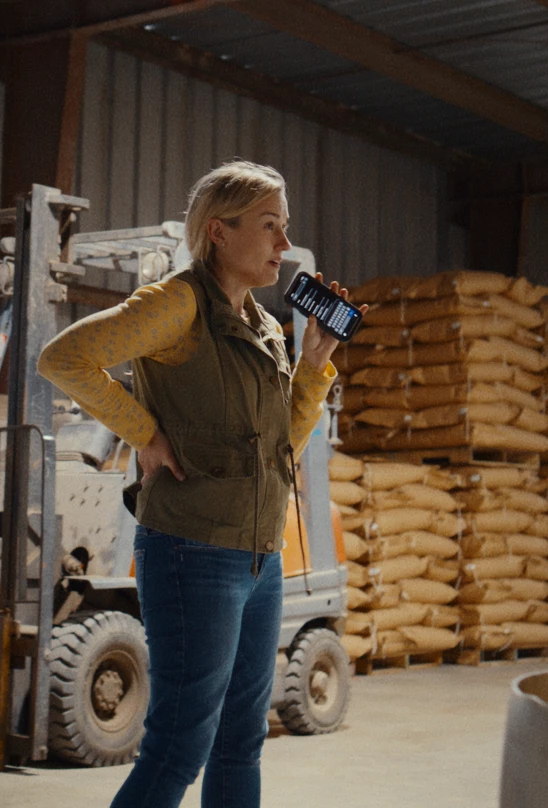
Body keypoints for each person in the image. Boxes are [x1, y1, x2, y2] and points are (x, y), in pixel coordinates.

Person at [37, 159, 357, 808]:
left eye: (285, 228)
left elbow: (282, 450)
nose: (283, 245)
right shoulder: (178, 305)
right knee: (180, 744)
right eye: (270, 226)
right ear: (218, 231)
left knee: (241, 738)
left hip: (259, 558)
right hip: (194, 553)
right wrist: (142, 432)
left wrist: (316, 366)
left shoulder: (264, 327)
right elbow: (63, 358)